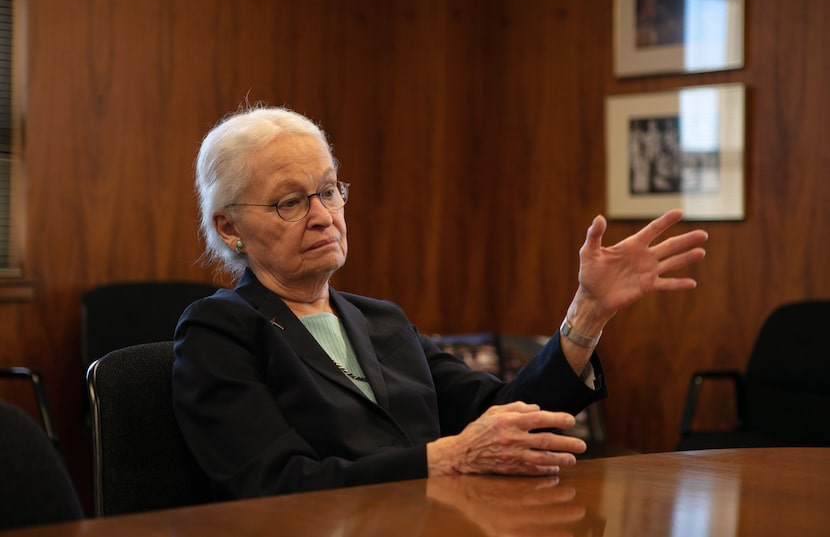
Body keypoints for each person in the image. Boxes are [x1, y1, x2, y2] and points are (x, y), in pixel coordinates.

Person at [172, 104, 708, 500]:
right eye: (291, 201)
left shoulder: (380, 319)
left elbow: (509, 417)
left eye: (330, 190)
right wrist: (446, 458)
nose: (323, 215)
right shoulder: (220, 330)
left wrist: (588, 311)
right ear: (229, 227)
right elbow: (275, 485)